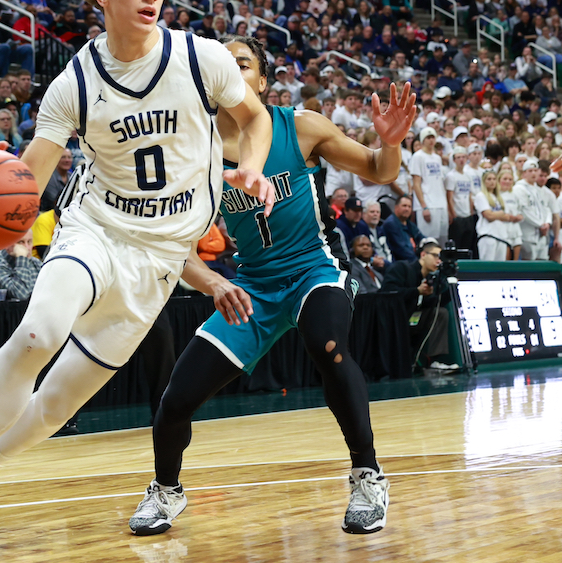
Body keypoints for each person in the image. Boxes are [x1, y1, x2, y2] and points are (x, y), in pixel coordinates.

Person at [0, 0, 276, 551]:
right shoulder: (76, 83)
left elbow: (254, 118)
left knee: (55, 407)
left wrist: (251, 164)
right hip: (95, 228)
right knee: (38, 331)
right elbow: (26, 180)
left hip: (158, 260)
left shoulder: (200, 58)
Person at [125, 38, 413, 539]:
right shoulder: (196, 150)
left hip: (312, 271)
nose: (230, 70)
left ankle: (367, 476)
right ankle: (166, 490)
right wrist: (215, 282)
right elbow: (176, 248)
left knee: (328, 346)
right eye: (223, 64)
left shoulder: (300, 126)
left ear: (261, 82)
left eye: (243, 63)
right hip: (251, 288)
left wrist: (389, 141)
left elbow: (379, 170)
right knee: (176, 399)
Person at [381, 237, 449, 369]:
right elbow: (387, 293)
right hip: (395, 318)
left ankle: (433, 360)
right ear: (423, 254)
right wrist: (416, 291)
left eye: (441, 258)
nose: (439, 261)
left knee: (440, 313)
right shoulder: (401, 268)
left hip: (415, 318)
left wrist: (447, 287)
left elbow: (433, 303)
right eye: (436, 256)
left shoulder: (432, 279)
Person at [0, 229, 43, 301]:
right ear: (7, 244)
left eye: (29, 242)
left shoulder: (36, 264)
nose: (27, 248)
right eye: (21, 242)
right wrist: (21, 258)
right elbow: (21, 295)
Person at [410, 126, 447, 243]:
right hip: (428, 204)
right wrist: (423, 206)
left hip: (441, 204)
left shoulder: (437, 158)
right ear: (422, 140)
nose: (431, 140)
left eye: (433, 137)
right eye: (428, 137)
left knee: (442, 240)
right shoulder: (418, 156)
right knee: (429, 241)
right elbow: (416, 183)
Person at [381, 195, 422, 262]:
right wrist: (420, 262)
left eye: (409, 207)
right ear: (396, 207)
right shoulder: (391, 224)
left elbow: (421, 238)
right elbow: (402, 251)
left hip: (413, 260)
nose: (407, 209)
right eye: (404, 206)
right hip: (401, 263)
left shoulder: (409, 223)